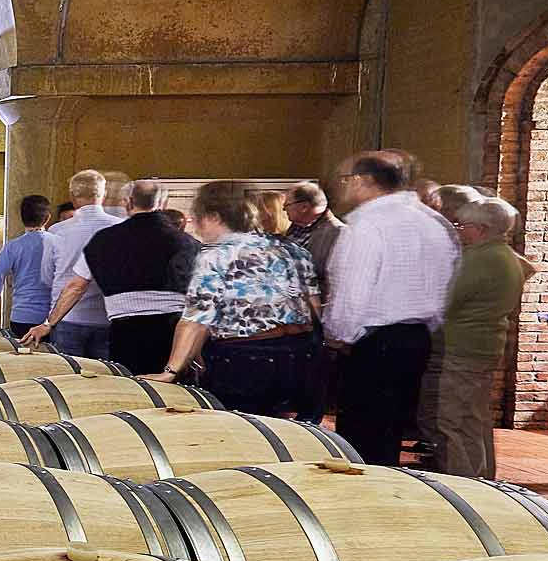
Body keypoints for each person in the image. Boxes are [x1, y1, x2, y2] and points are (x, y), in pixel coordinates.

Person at [322, 153, 460, 467]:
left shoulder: (369, 224)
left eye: (345, 179)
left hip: (374, 341)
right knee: (392, 430)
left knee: (362, 437)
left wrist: (338, 337)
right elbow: (446, 282)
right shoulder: (431, 221)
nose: (342, 186)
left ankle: (365, 504)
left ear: (362, 180)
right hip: (417, 337)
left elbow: (352, 291)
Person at [144, 181, 320, 414]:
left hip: (247, 361)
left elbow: (196, 320)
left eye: (198, 219)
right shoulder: (293, 248)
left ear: (214, 216)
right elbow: (314, 306)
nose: (196, 228)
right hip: (303, 355)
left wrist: (171, 371)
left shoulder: (217, 255)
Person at [22, 179, 198, 374]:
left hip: (126, 333)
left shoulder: (103, 240)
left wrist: (48, 324)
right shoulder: (188, 243)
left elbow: (76, 287)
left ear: (127, 202)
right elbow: (201, 300)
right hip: (174, 333)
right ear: (163, 204)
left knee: (130, 388)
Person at [428, 198, 526, 477]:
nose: (459, 230)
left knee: (453, 420)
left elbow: (447, 300)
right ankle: (482, 476)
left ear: (481, 228)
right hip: (483, 346)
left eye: (463, 225)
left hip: (464, 347)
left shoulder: (481, 258)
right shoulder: (504, 255)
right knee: (475, 418)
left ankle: (463, 482)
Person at [18, 169, 122, 360]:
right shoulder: (120, 228)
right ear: (103, 195)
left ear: (73, 197)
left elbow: (46, 275)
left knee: (68, 381)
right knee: (107, 383)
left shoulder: (57, 231)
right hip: (108, 318)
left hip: (67, 318)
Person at [282, 181, 343, 424]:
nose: (284, 210)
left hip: (316, 313)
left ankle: (310, 420)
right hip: (291, 314)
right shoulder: (294, 229)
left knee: (315, 371)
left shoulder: (337, 233)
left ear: (305, 206)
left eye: (287, 205)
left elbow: (333, 278)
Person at [0, 195, 56, 335]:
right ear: (48, 218)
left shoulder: (13, 247)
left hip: (22, 318)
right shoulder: (59, 243)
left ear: (22, 218)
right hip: (52, 319)